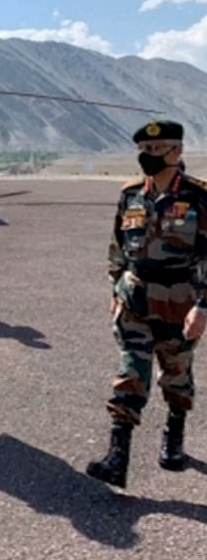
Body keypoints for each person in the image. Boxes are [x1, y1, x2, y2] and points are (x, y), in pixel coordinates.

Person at [86, 120, 207, 488]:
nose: (149, 155)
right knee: (131, 372)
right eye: (145, 149)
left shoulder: (199, 197)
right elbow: (118, 245)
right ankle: (117, 456)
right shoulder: (131, 194)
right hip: (135, 298)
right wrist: (115, 287)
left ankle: (175, 434)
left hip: (179, 303)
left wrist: (203, 306)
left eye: (157, 149)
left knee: (176, 374)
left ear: (177, 151)